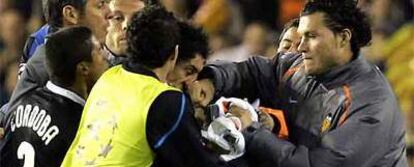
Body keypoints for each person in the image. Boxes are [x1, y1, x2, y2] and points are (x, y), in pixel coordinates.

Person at [189, 0, 408, 166]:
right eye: (301, 36)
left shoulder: (371, 103)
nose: (300, 46)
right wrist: (212, 80)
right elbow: (254, 71)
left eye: (311, 36)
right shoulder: (300, 67)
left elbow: (315, 163)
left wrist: (252, 131)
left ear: (343, 38)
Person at [62, 6, 231, 167]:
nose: (191, 81)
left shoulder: (109, 77)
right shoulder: (166, 100)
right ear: (174, 54)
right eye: (189, 70)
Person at [0, 26, 109, 167]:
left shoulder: (23, 102)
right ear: (83, 68)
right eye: (99, 50)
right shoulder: (81, 124)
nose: (106, 56)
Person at [0, 0, 111, 132]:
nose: (110, 12)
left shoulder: (110, 39)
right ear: (70, 14)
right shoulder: (44, 50)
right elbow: (19, 107)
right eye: (100, 5)